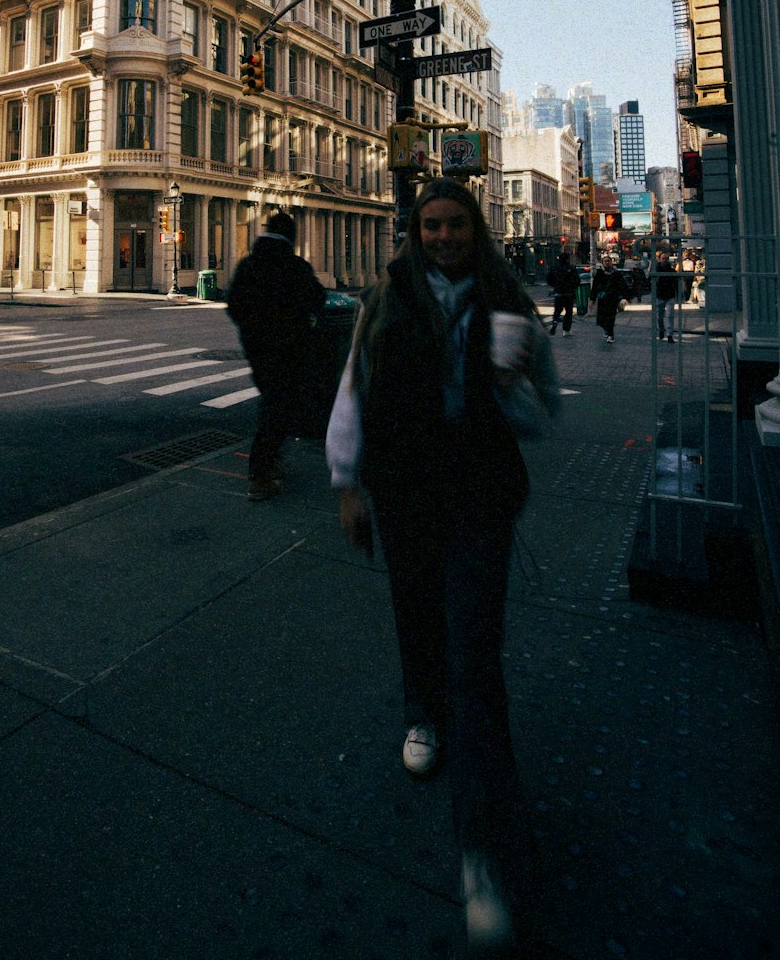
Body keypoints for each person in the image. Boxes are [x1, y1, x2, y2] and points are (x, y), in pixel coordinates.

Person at [325, 179, 560, 950]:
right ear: (414, 231)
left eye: (455, 224)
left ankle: (484, 853)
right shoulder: (384, 299)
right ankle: (421, 714)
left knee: (476, 660)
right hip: (405, 491)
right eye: (430, 225)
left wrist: (509, 381)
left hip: (482, 496)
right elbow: (353, 390)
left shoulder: (509, 301)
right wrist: (347, 482)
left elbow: (541, 413)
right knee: (417, 616)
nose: (443, 237)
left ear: (476, 229)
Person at [226, 210, 326, 501]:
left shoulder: (249, 265)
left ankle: (269, 463)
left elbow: (233, 303)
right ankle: (261, 473)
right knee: (277, 410)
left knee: (272, 404)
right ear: (291, 237)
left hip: (257, 349)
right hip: (289, 350)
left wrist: (251, 329)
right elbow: (316, 299)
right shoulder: (295, 267)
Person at [589, 254, 631, 344]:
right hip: (602, 299)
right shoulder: (599, 274)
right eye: (605, 261)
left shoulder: (616, 273)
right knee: (601, 318)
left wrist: (626, 297)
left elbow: (623, 285)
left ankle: (610, 335)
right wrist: (592, 300)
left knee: (611, 317)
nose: (607, 263)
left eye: (608, 261)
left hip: (612, 299)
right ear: (602, 263)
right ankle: (606, 329)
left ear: (611, 262)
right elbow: (595, 287)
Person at [546, 251, 579, 336]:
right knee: (568, 312)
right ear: (568, 259)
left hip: (558, 293)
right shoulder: (571, 268)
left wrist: (555, 286)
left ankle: (554, 323)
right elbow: (577, 280)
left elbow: (548, 279)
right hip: (568, 293)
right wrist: (572, 287)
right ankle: (566, 330)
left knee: (557, 311)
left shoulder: (554, 268)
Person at [655, 252, 678, 343]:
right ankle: (661, 329)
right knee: (659, 316)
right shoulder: (656, 270)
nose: (665, 260)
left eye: (666, 258)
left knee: (669, 316)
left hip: (670, 295)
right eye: (663, 258)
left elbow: (676, 283)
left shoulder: (672, 271)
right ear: (659, 259)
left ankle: (669, 335)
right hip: (660, 295)